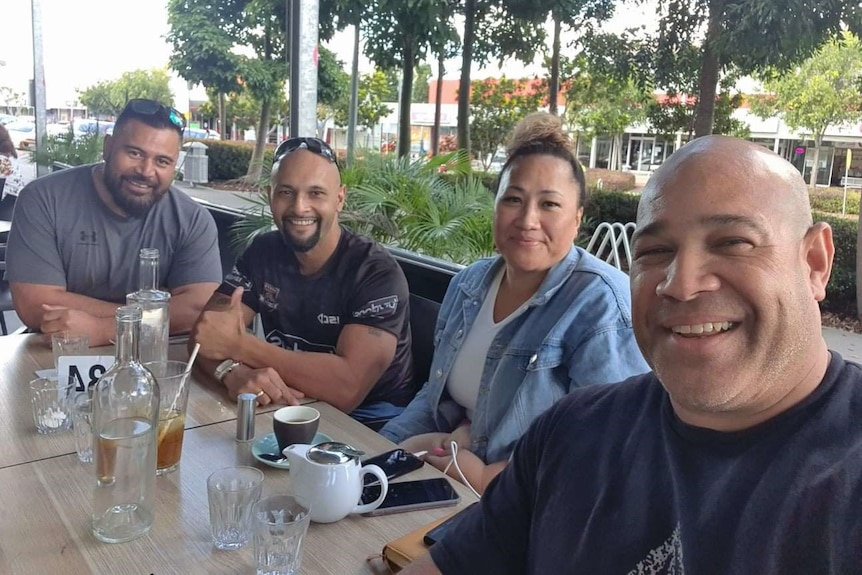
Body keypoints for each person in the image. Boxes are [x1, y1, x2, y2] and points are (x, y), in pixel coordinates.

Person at [403, 135, 862, 574]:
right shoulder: (572, 432)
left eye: (732, 243)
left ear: (815, 263)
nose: (681, 284)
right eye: (656, 250)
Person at [380, 113, 648, 495]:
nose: (527, 220)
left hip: (531, 506)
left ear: (577, 219)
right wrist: (377, 454)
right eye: (513, 199)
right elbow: (435, 396)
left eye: (549, 204)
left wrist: (487, 477)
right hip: (450, 479)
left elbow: (602, 454)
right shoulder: (468, 285)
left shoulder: (601, 307)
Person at [189, 137, 415, 422]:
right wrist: (231, 373)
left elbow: (347, 388)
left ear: (339, 199)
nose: (299, 207)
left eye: (316, 193)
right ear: (271, 196)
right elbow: (206, 334)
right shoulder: (262, 252)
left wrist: (241, 347)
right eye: (286, 192)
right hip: (286, 409)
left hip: (371, 422)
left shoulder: (375, 272)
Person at [5, 98, 222, 346]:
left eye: (162, 161)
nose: (146, 171)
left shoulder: (192, 219)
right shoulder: (44, 198)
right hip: (57, 350)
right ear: (108, 147)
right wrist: (161, 310)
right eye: (134, 153)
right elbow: (36, 304)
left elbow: (201, 310)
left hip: (156, 355)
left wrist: (103, 328)